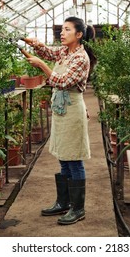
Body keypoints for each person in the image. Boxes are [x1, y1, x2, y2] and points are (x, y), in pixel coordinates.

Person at [24, 17, 97, 225]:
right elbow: (48, 52)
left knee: (74, 158)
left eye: (66, 30)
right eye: (61, 29)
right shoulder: (66, 51)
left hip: (72, 110)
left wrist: (42, 66)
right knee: (64, 156)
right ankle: (64, 203)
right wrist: (34, 44)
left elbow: (62, 82)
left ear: (79, 34)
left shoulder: (81, 58)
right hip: (61, 110)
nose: (62, 33)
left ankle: (78, 209)